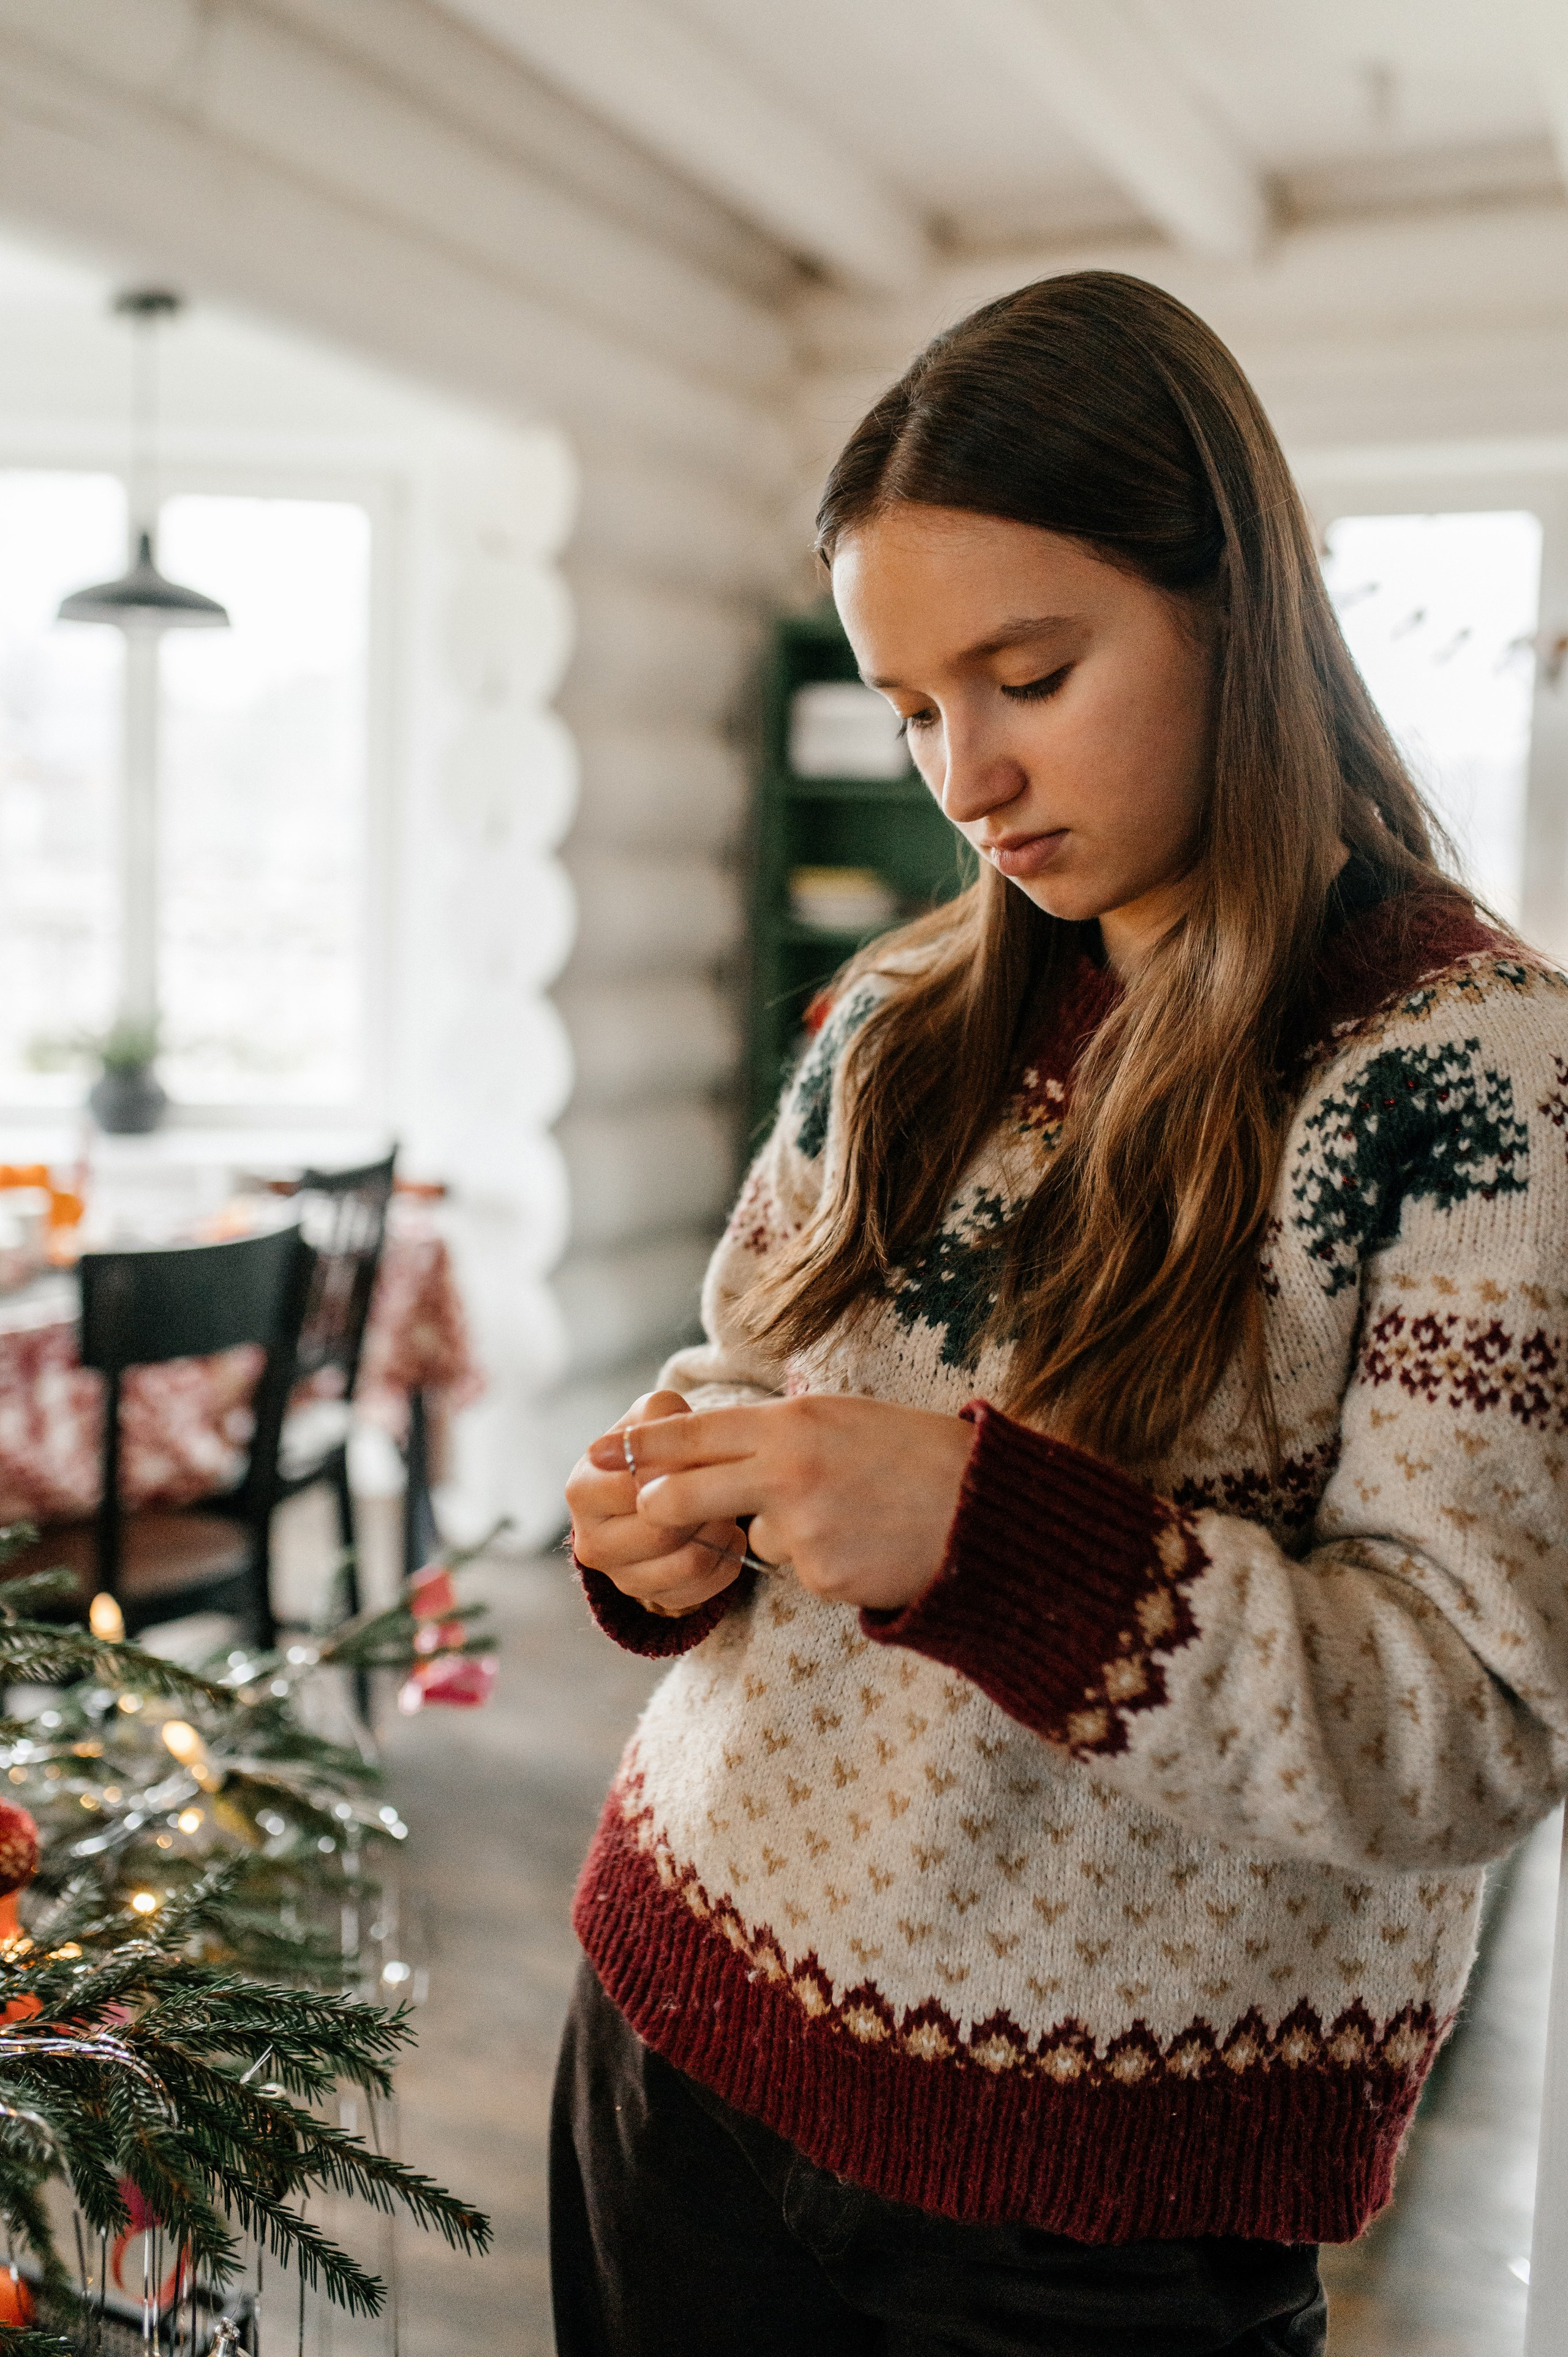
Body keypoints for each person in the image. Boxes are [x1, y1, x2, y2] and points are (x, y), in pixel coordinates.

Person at [556, 270, 1568, 2356]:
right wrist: (658, 1515)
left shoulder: (1479, 1083)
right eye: (914, 706)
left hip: (1088, 2205)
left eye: (1028, 672)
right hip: (671, 2021)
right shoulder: (902, 1012)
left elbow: (1474, 1729)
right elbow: (751, 1362)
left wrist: (983, 1537)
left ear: (1242, 611)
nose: (965, 777)